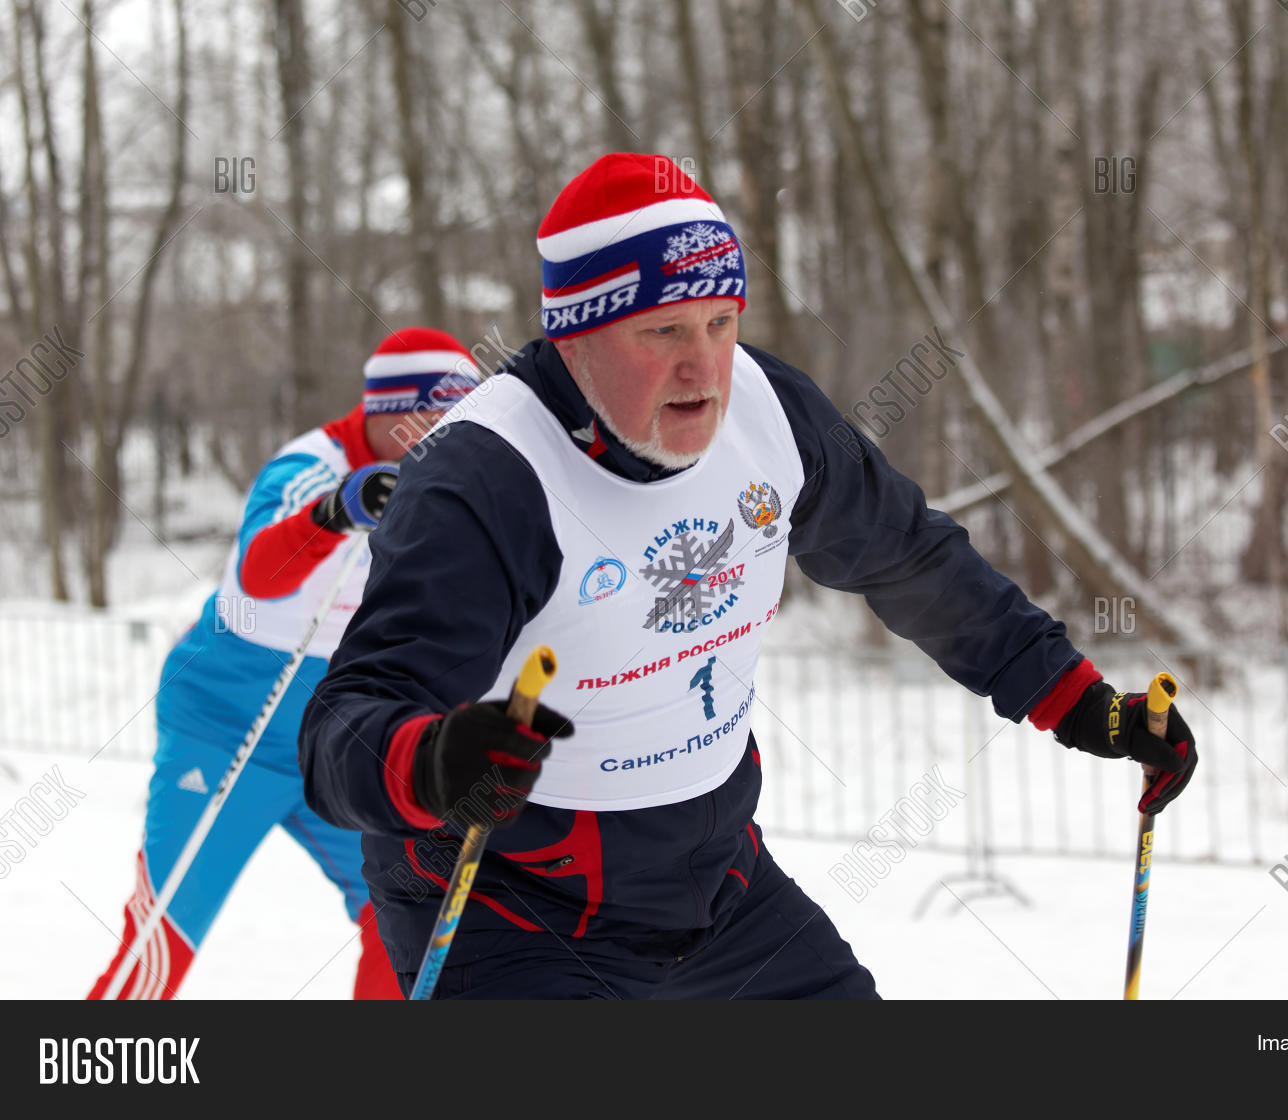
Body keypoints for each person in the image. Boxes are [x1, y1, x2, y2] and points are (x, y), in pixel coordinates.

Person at [299, 154, 1198, 999]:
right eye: (663, 331)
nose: (703, 368)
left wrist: (1073, 699)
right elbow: (343, 726)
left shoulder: (769, 415)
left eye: (720, 324)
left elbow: (911, 559)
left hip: (713, 890)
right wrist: (432, 761)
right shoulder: (487, 480)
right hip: (512, 908)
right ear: (574, 340)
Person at [89, 327, 479, 999]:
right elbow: (259, 575)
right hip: (228, 733)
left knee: (408, 917)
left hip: (338, 744)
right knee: (162, 938)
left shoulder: (448, 488)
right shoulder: (310, 466)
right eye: (435, 423)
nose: (448, 441)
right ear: (390, 412)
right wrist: (335, 513)